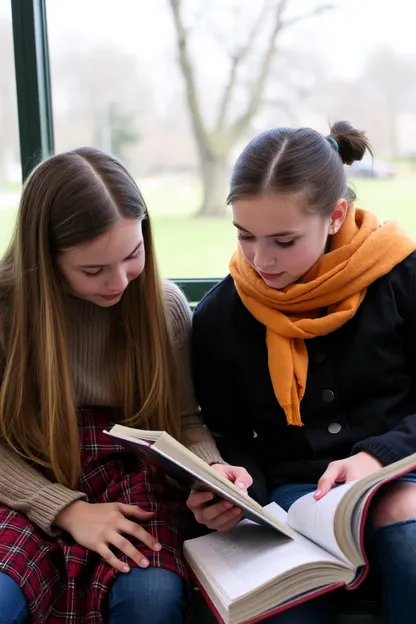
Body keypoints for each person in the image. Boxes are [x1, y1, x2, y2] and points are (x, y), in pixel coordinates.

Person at [0, 147, 251, 624]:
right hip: (24, 480)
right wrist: (65, 510)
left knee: (150, 600)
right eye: (93, 270)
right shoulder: (6, 312)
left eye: (132, 255)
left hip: (133, 482)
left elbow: (183, 422)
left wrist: (212, 473)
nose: (119, 282)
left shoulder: (164, 306)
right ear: (44, 259)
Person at [188, 121, 416, 623]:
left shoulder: (402, 276)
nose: (260, 259)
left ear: (335, 216)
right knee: (283, 608)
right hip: (296, 503)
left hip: (405, 470)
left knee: (406, 529)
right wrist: (239, 497)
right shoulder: (221, 316)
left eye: (284, 241)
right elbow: (229, 432)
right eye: (245, 236)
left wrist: (377, 460)